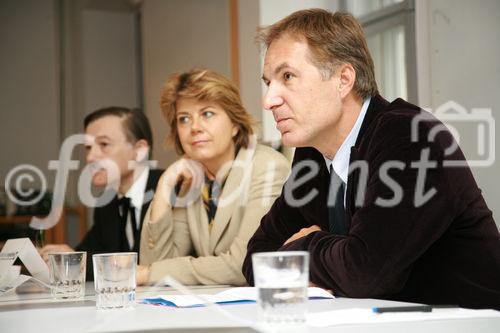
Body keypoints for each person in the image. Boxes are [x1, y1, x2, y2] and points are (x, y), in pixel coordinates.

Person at [242, 9, 500, 309]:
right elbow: (257, 258)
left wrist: (306, 244)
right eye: (268, 82)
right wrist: (325, 256)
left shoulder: (411, 138)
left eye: (288, 77)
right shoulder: (312, 154)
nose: (269, 100)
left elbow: (365, 273)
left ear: (343, 79)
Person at [136, 68, 290, 286]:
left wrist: (150, 274)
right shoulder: (190, 180)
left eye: (207, 114)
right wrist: (164, 187)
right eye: (184, 119)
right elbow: (156, 266)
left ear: (235, 124)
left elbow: (242, 265)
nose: (195, 127)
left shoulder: (268, 167)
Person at [40, 107, 162, 278]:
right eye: (88, 147)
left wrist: (80, 261)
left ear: (140, 151)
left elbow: (163, 264)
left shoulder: (173, 190)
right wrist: (69, 259)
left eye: (104, 144)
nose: (90, 157)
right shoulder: (106, 202)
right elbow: (91, 255)